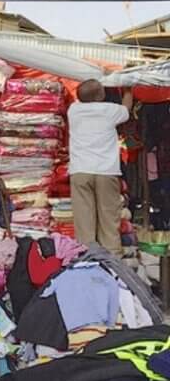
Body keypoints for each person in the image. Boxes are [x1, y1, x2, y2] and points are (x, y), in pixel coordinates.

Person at [68, 79, 131, 255]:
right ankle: (113, 263)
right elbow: (126, 108)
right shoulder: (109, 110)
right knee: (109, 221)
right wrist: (128, 89)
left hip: (80, 171)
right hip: (106, 172)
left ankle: (88, 259)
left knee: (84, 221)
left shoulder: (73, 111)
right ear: (100, 95)